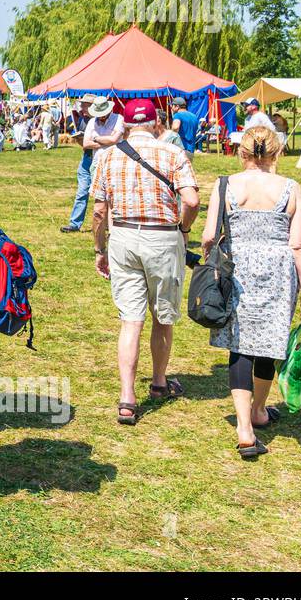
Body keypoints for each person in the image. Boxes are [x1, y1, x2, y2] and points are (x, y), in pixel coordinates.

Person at [200, 126, 301, 458]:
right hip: (279, 272)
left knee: (240, 346)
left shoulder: (225, 185)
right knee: (268, 343)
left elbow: (209, 234)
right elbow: (297, 244)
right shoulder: (291, 188)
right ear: (277, 153)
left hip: (238, 270)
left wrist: (211, 256)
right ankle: (259, 410)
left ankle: (244, 428)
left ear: (243, 152)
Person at [91, 98, 199, 425]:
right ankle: (159, 382)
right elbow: (192, 200)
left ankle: (127, 397)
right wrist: (184, 228)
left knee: (131, 319)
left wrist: (100, 249)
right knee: (162, 316)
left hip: (123, 236)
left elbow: (98, 212)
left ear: (125, 124)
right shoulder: (172, 152)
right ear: (155, 123)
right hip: (163, 236)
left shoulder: (109, 155)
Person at [60, 96, 123, 233]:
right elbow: (86, 144)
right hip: (90, 159)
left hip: (111, 161)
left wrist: (96, 139)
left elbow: (115, 140)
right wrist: (105, 141)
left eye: (84, 105)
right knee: (85, 192)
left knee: (110, 195)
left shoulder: (118, 119)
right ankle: (75, 223)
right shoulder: (87, 120)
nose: (82, 108)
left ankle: (110, 225)